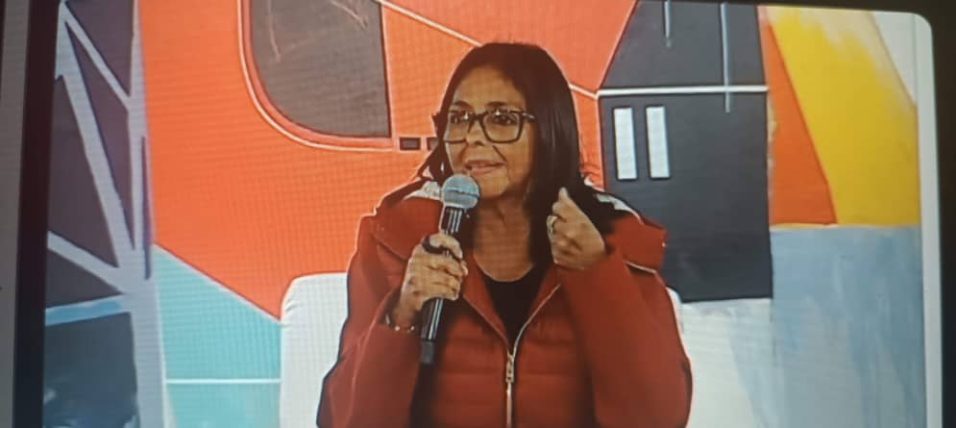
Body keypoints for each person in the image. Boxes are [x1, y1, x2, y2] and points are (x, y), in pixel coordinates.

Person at [318, 43, 691, 428]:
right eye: (459, 118)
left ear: (549, 130)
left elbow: (658, 420)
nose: (472, 137)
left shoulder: (615, 242)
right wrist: (403, 312)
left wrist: (597, 274)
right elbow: (344, 420)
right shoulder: (395, 244)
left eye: (501, 118)